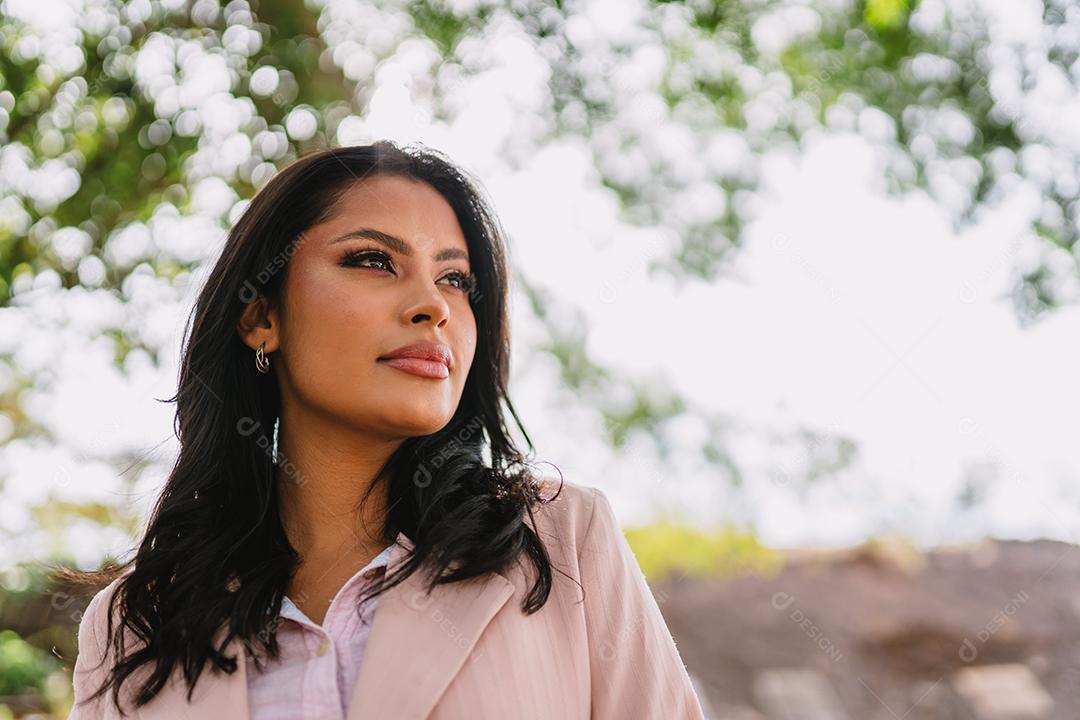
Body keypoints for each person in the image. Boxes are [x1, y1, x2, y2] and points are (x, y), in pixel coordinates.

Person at [60, 141, 706, 719]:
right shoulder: (133, 627)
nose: (434, 306)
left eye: (455, 278)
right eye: (373, 260)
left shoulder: (563, 544)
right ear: (262, 317)